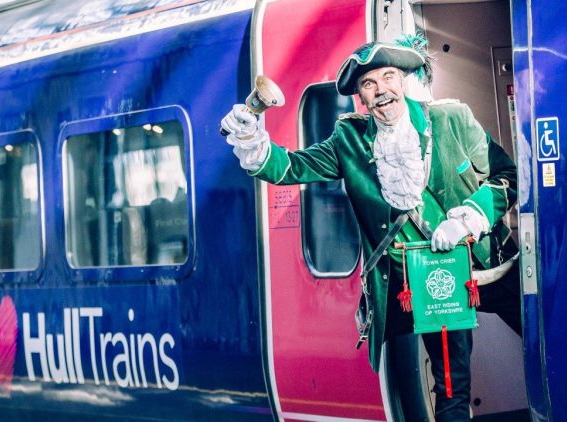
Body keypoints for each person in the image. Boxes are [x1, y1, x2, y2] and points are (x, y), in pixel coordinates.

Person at [221, 34, 521, 422]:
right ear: (361, 97)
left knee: (549, 341)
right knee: (451, 386)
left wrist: (469, 216)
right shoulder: (349, 139)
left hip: (486, 264)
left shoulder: (451, 119)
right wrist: (250, 138)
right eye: (369, 84)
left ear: (404, 80)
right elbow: (289, 168)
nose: (381, 91)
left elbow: (507, 177)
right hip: (429, 282)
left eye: (389, 77)